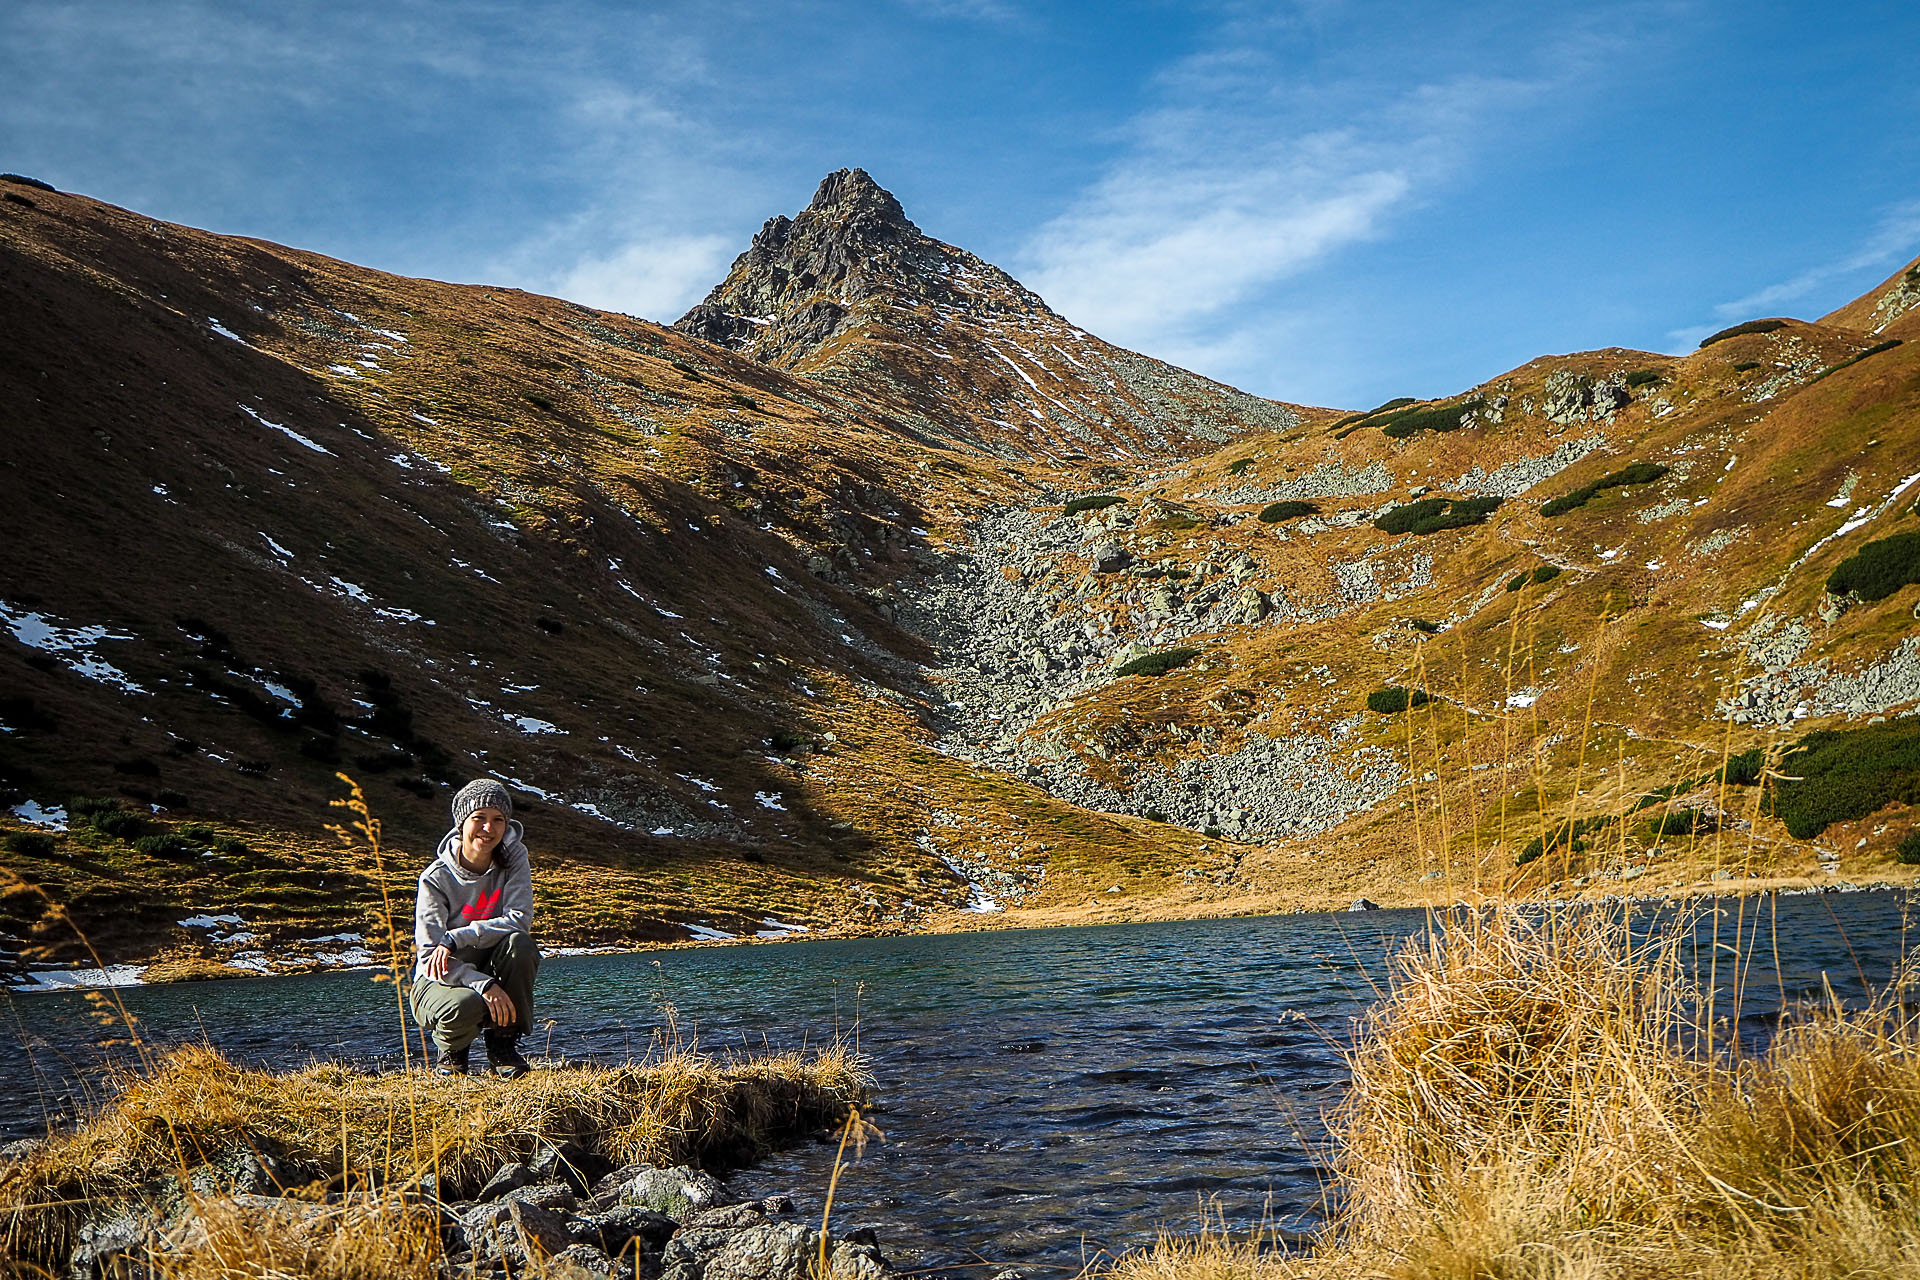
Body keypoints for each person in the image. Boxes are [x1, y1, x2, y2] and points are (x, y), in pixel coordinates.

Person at [409, 778, 540, 1077]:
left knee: (520, 945)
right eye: (478, 818)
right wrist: (484, 984)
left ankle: (503, 1045)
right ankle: (452, 1051)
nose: (488, 828)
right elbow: (430, 957)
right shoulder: (434, 878)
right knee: (465, 1002)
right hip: (438, 979)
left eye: (498, 820)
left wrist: (457, 937)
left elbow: (519, 918)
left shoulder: (515, 857)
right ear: (461, 823)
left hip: (487, 962)